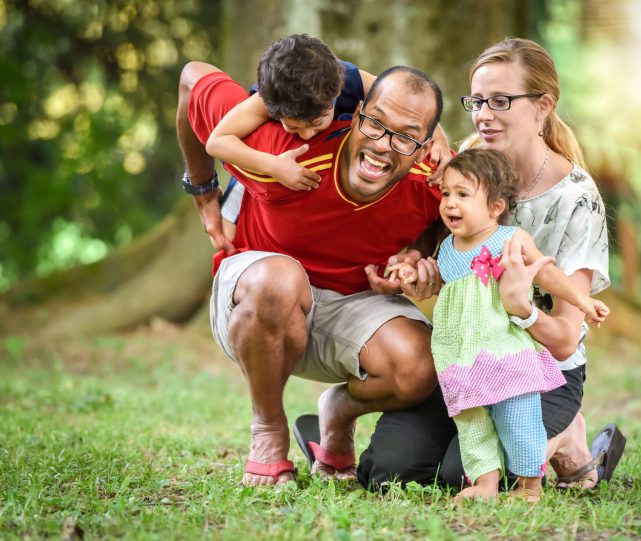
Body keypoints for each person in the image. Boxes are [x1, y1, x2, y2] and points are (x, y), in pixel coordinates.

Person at [354, 38, 624, 491]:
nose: (483, 114)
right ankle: (550, 441)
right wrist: (414, 274)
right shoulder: (463, 169)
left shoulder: (577, 200)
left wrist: (523, 309)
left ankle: (568, 437)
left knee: (472, 476)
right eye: (477, 101)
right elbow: (445, 265)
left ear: (543, 106)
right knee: (389, 473)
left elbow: (561, 340)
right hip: (467, 357)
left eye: (501, 101)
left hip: (539, 369)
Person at [176, 57, 447, 486]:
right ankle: (268, 428)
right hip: (261, 296)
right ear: (355, 111)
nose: (382, 145)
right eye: (375, 124)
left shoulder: (435, 180)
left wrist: (417, 256)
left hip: (355, 304)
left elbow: (445, 225)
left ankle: (337, 414)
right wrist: (204, 192)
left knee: (420, 367)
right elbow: (193, 79)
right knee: (278, 280)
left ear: (427, 145)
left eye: (407, 138)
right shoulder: (279, 150)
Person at [389, 149, 609, 502]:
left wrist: (583, 301)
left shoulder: (510, 239)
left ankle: (530, 487)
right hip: (459, 357)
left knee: (518, 421)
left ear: (494, 207)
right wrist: (411, 272)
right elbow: (447, 294)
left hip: (504, 353)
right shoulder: (446, 249)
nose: (449, 203)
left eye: (463, 194)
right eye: (446, 193)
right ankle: (486, 485)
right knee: (472, 427)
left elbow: (548, 274)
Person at [204, 35, 451, 241]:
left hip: (336, 161)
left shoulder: (351, 79)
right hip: (272, 160)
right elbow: (217, 141)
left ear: (336, 90)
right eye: (293, 127)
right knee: (227, 235)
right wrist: (273, 166)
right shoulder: (269, 100)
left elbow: (413, 98)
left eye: (315, 124)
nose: (307, 134)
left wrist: (439, 138)